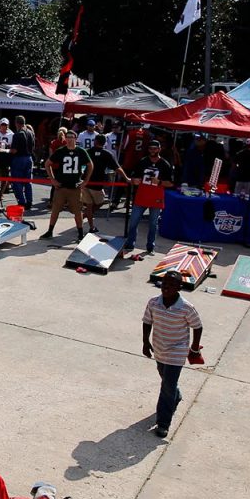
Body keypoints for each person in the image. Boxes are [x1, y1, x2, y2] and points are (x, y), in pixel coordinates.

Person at [143, 271, 204, 438]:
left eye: (171, 286)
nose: (166, 288)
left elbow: (197, 327)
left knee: (167, 386)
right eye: (164, 285)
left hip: (177, 350)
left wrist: (194, 348)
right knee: (166, 379)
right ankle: (175, 395)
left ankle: (163, 423)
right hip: (159, 348)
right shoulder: (154, 303)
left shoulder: (186, 308)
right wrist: (145, 342)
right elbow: (147, 322)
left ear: (179, 288)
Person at [124, 139, 174, 254]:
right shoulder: (142, 162)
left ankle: (150, 246)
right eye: (150, 148)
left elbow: (171, 183)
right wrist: (135, 181)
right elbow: (134, 178)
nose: (152, 150)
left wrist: (160, 182)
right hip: (141, 196)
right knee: (133, 221)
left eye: (155, 148)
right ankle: (130, 243)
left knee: (153, 223)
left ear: (159, 149)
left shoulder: (165, 164)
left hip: (156, 198)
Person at [42, 130, 92, 240]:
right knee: (55, 210)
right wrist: (53, 180)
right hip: (61, 186)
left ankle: (80, 233)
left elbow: (90, 165)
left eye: (72, 137)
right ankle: (50, 231)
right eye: (68, 137)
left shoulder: (81, 151)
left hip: (75, 187)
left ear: (76, 138)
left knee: (78, 212)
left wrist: (85, 181)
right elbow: (47, 164)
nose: (69, 139)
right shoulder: (60, 151)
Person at [84, 134, 128, 235]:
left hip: (87, 181)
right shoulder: (106, 154)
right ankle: (91, 226)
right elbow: (117, 168)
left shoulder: (88, 152)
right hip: (96, 183)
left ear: (95, 141)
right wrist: (126, 178)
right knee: (95, 204)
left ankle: (86, 216)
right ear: (105, 143)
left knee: (92, 205)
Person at [8, 115, 35, 209]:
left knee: (17, 181)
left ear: (16, 123)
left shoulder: (17, 134)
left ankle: (21, 201)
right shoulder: (30, 132)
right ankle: (29, 201)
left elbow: (14, 150)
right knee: (28, 181)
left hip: (19, 158)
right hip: (29, 158)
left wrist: (9, 150)